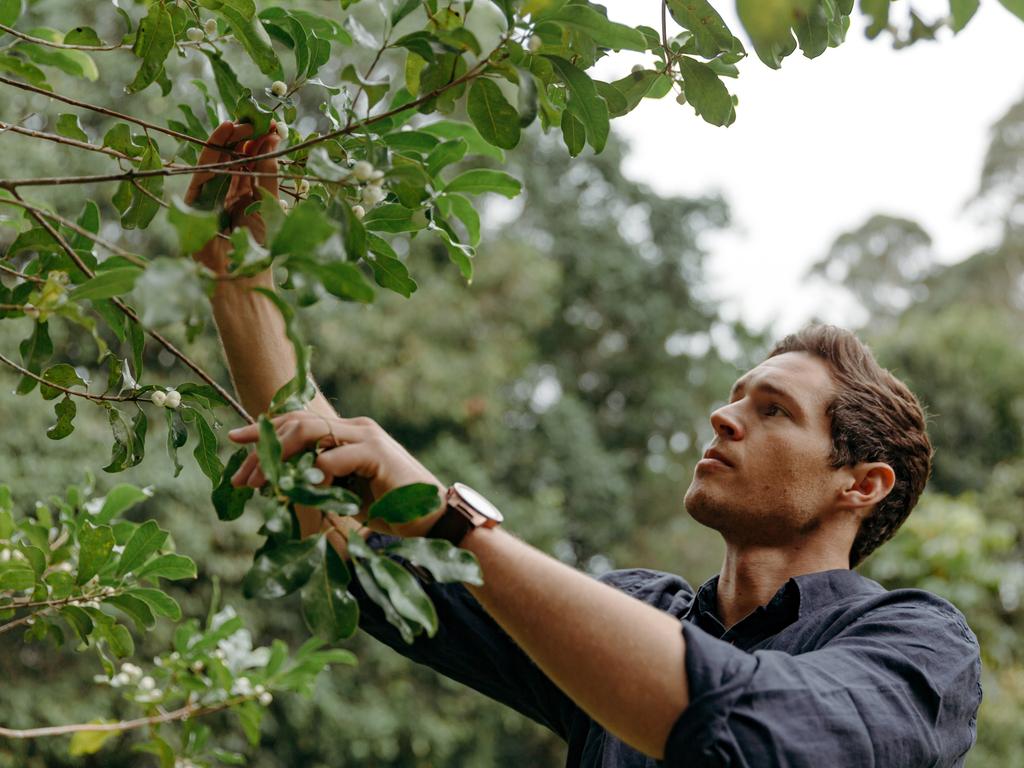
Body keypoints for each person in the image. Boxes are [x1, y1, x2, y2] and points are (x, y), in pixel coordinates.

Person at [187, 121, 981, 767]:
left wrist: (450, 518)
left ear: (861, 483)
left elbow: (764, 733)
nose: (723, 416)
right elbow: (359, 563)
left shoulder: (919, 644)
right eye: (734, 395)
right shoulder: (637, 609)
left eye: (774, 410)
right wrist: (240, 278)